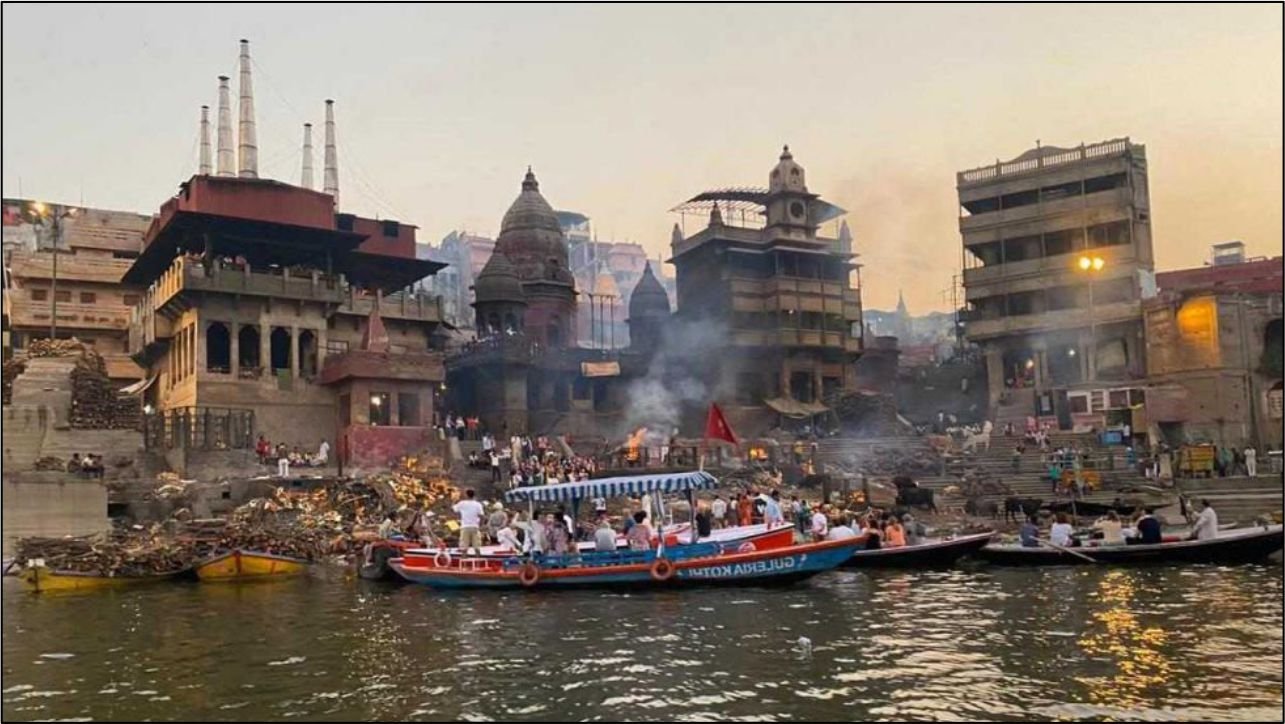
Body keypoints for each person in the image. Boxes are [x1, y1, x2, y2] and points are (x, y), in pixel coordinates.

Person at [453, 488, 485, 554]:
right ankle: (479, 560)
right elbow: (482, 516)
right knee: (477, 547)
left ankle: (464, 561)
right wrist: (480, 525)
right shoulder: (478, 504)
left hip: (465, 527)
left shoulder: (462, 503)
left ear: (466, 495)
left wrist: (454, 500)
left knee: (464, 547)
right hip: (475, 527)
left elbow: (454, 509)